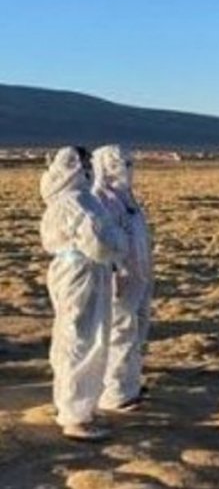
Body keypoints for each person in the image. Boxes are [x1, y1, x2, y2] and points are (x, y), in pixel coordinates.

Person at [40, 146, 128, 441]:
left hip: (75, 270)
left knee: (74, 336)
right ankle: (75, 415)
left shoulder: (65, 199)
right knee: (82, 339)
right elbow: (99, 242)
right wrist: (119, 243)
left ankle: (78, 405)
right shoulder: (78, 202)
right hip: (83, 271)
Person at [92, 145, 153, 412]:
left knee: (137, 329)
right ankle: (115, 393)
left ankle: (131, 384)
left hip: (139, 273)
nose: (126, 170)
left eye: (129, 164)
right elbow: (103, 242)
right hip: (120, 277)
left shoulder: (127, 199)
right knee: (121, 331)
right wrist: (113, 272)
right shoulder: (100, 199)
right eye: (119, 164)